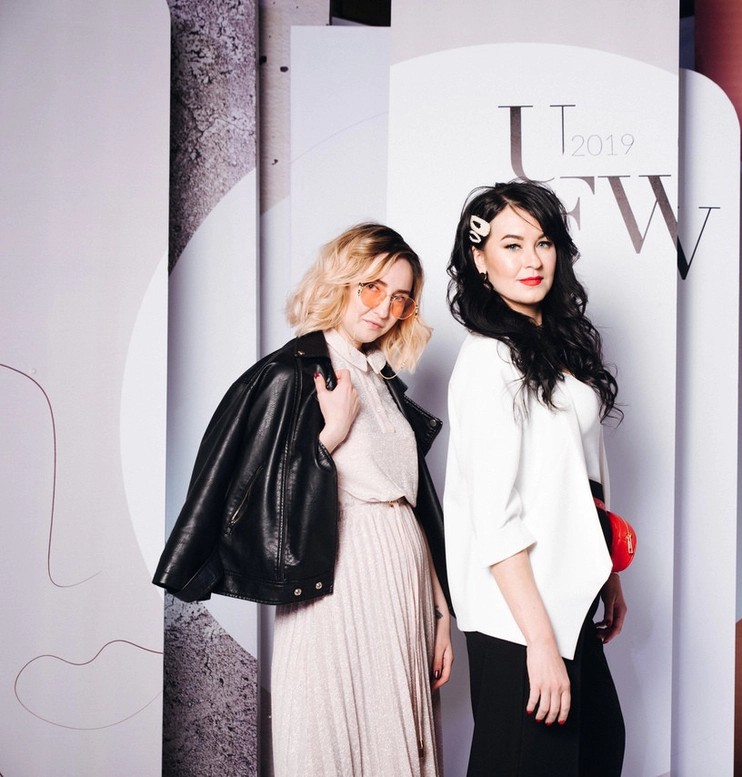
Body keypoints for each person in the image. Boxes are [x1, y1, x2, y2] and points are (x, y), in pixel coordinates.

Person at [153, 223, 452, 777]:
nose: (384, 309)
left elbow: (413, 503)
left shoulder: (380, 378)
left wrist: (440, 612)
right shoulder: (293, 371)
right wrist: (328, 437)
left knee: (398, 739)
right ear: (341, 279)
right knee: (330, 732)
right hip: (336, 579)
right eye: (372, 287)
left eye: (400, 298)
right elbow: (253, 491)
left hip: (403, 577)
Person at [443, 180, 627, 776]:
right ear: (480, 259)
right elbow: (494, 517)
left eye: (543, 243)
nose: (532, 260)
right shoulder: (489, 359)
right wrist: (539, 644)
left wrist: (607, 574)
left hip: (570, 598)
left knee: (598, 750)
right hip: (518, 617)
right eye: (512, 244)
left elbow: (583, 476)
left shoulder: (555, 348)